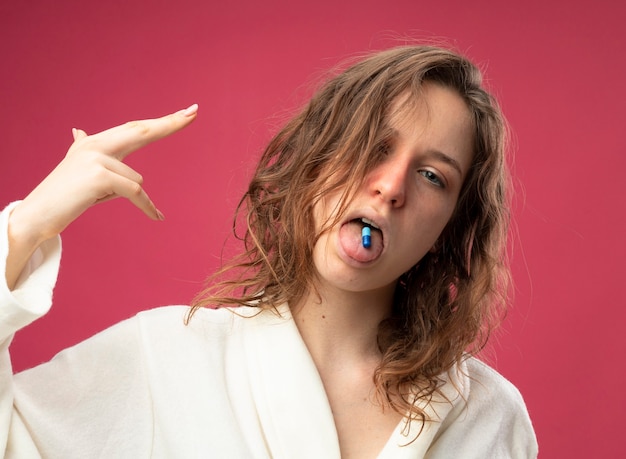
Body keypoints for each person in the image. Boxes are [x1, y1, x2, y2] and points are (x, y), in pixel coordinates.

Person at [1, 45, 538, 458]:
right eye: (374, 145)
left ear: (450, 225)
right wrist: (22, 230)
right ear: (317, 157)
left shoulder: (490, 417)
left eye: (431, 176)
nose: (392, 186)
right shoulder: (163, 360)